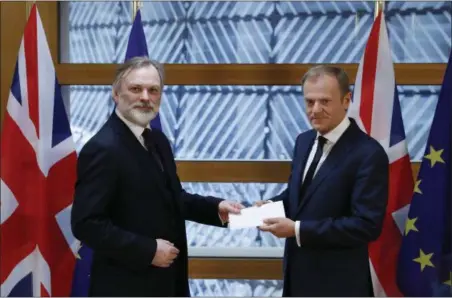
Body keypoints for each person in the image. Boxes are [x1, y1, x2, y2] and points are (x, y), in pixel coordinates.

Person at [71, 56, 244, 297]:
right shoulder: (103, 148)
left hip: (166, 283)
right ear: (116, 94)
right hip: (125, 286)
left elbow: (172, 198)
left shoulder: (158, 141)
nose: (145, 97)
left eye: (153, 90)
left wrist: (215, 209)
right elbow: (86, 224)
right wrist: (148, 250)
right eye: (135, 89)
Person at [256, 65, 389, 297]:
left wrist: (298, 229)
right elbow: (301, 197)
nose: (315, 110)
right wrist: (271, 205)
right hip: (297, 280)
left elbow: (366, 225)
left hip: (339, 286)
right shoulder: (303, 141)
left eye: (324, 101)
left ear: (346, 100)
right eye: (309, 102)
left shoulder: (368, 153)